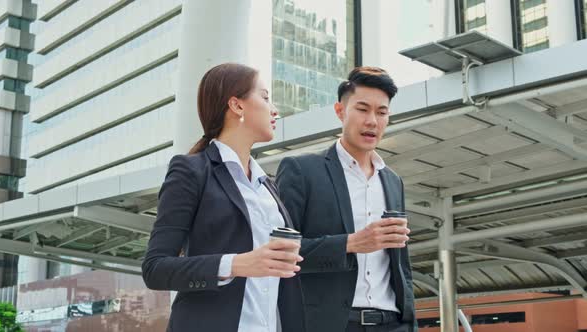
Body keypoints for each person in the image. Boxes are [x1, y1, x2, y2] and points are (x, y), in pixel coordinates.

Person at [142, 63, 305, 332]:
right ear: (237, 106)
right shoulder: (191, 170)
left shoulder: (268, 186)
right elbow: (155, 268)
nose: (274, 109)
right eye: (265, 97)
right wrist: (237, 264)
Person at [276, 66, 417, 332]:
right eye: (362, 109)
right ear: (340, 111)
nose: (372, 121)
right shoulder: (301, 170)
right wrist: (351, 243)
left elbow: (401, 265)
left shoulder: (392, 181)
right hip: (331, 324)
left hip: (392, 323)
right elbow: (280, 253)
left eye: (382, 112)